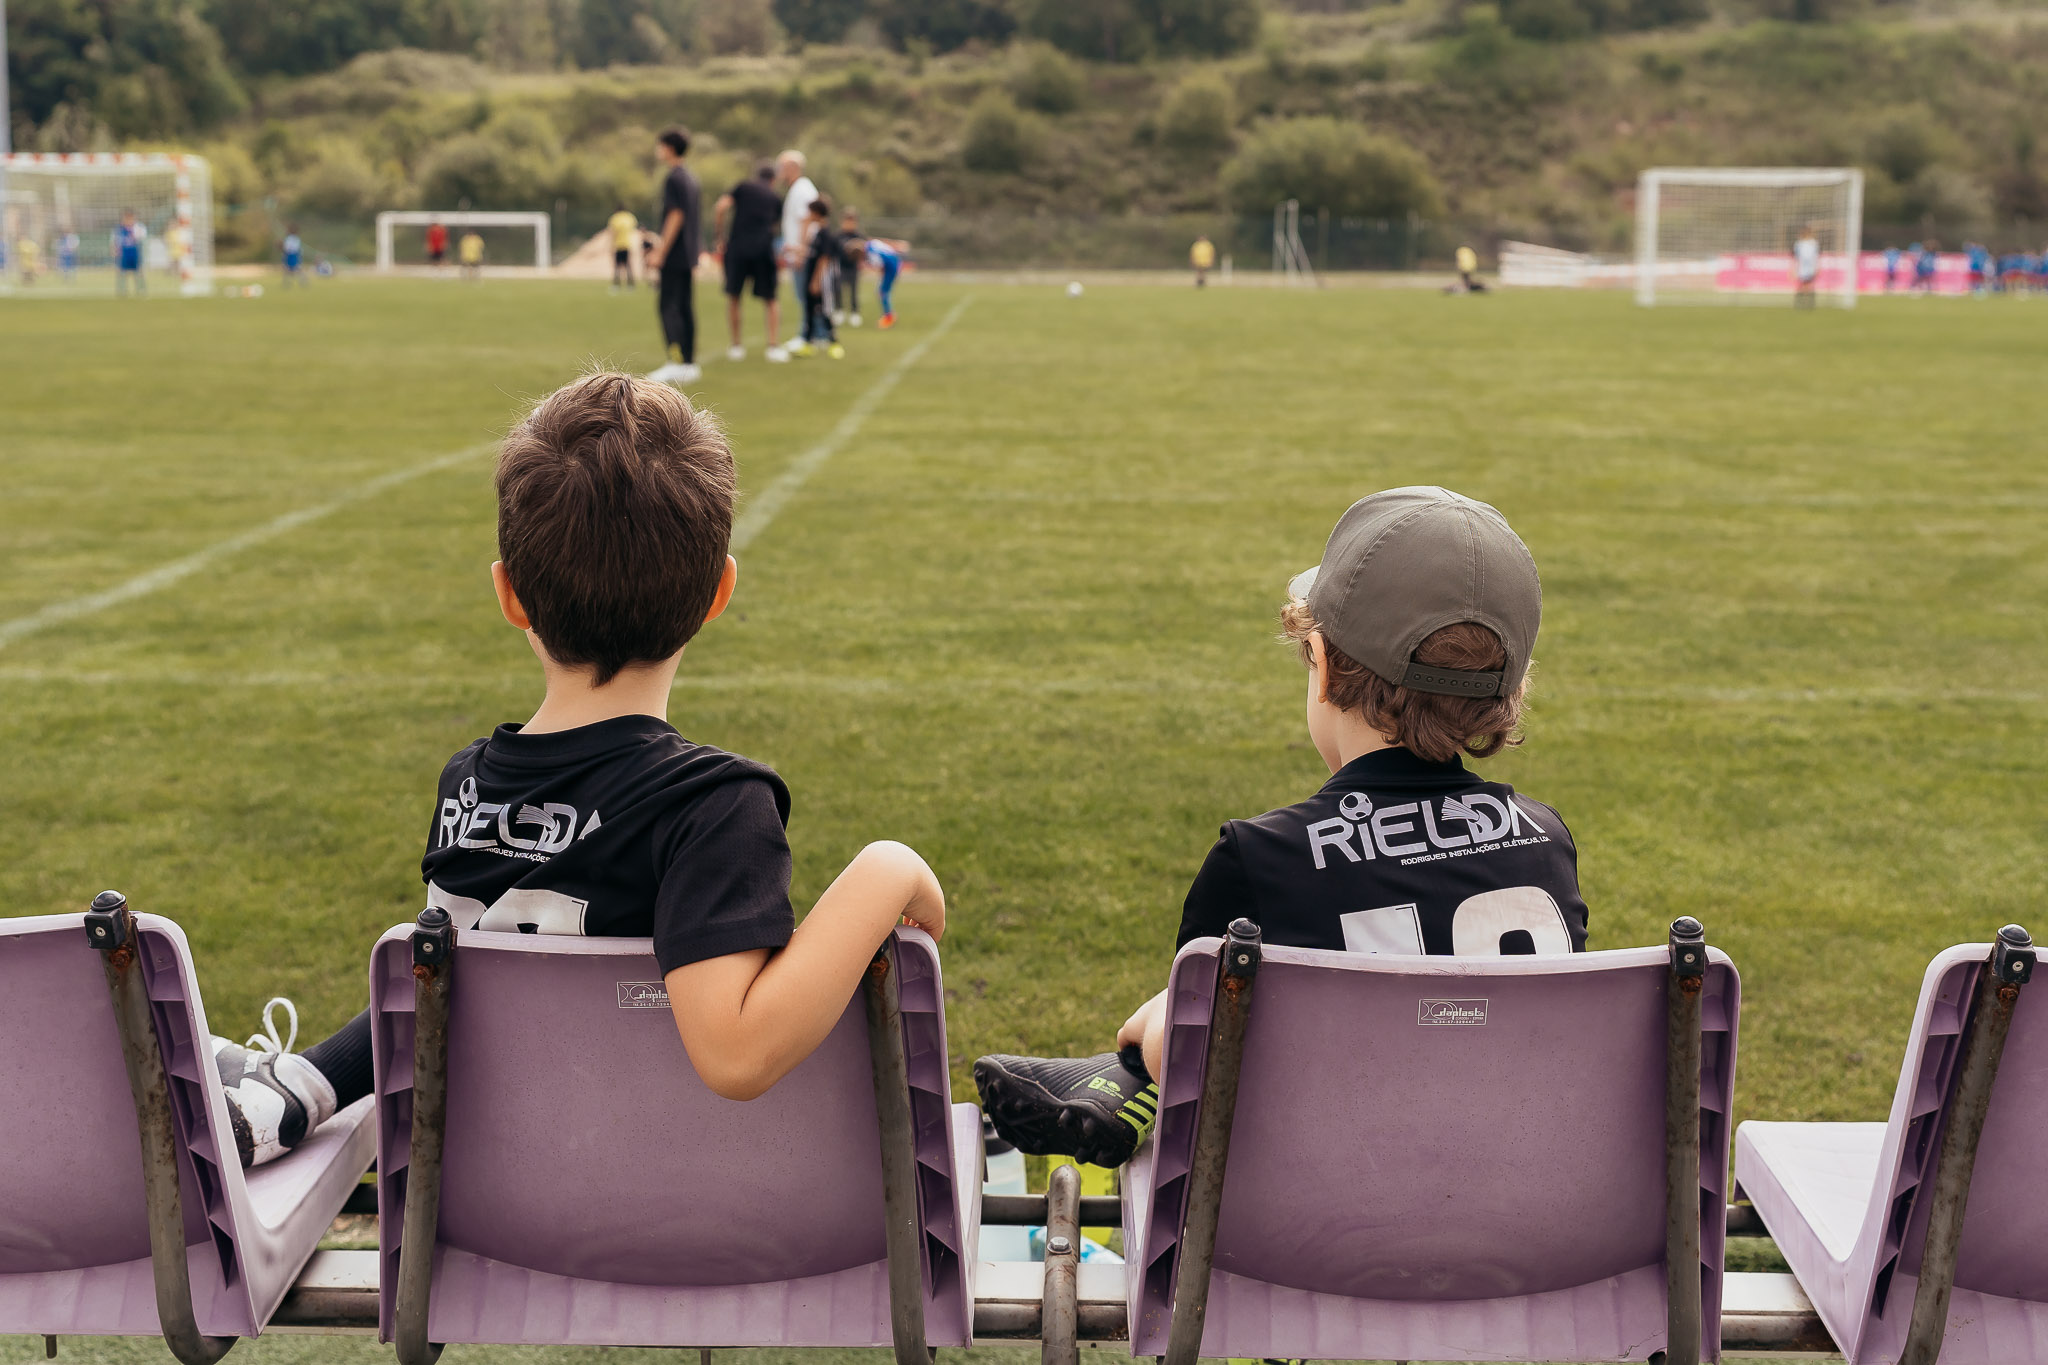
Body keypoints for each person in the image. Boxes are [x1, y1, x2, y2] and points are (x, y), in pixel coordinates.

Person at [202, 372, 950, 1168]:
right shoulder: (713, 808)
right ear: (718, 592)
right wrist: (887, 866)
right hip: (683, 1208)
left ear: (510, 596)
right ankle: (298, 1081)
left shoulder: (467, 786)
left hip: (498, 1218)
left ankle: (301, 1081)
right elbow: (736, 1053)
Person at [975, 487, 1588, 1168]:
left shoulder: (1262, 858)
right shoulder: (1545, 841)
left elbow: (1195, 1063)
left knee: (1188, 1021)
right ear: (1507, 690)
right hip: (1516, 1217)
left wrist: (1150, 1027)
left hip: (1312, 1237)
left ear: (1323, 668)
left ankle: (1113, 1075)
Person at [646, 127, 703, 386]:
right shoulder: (691, 178)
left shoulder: (673, 178)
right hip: (688, 253)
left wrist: (660, 252)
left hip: (675, 255)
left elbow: (676, 215)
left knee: (668, 306)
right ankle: (689, 362)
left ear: (668, 147)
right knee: (685, 307)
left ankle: (675, 362)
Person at [713, 161, 786, 362]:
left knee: (734, 296)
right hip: (763, 249)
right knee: (771, 299)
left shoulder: (742, 187)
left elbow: (721, 207)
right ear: (773, 179)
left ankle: (736, 346)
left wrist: (719, 237)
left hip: (738, 248)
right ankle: (773, 347)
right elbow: (775, 226)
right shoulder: (775, 197)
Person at [791, 196, 843, 359]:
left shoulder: (825, 234)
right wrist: (793, 250)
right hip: (811, 275)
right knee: (809, 310)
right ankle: (807, 343)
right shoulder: (816, 232)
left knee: (824, 310)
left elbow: (824, 259)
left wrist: (816, 281)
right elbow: (812, 254)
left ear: (816, 213)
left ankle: (834, 343)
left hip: (821, 279)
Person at [776, 149, 818, 283]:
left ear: (793, 167)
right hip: (798, 254)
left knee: (807, 300)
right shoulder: (797, 188)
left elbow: (806, 219)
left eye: (782, 166)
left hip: (802, 255)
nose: (780, 171)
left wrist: (800, 254)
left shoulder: (802, 189)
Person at [865, 233, 908, 329]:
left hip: (891, 269)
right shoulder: (871, 243)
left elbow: (881, 267)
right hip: (896, 262)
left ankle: (889, 317)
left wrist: (882, 278)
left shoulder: (871, 254)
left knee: (882, 292)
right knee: (883, 291)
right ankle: (889, 315)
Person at [835, 207, 866, 325]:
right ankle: (839, 311)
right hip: (840, 266)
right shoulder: (838, 236)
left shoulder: (859, 236)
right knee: (837, 289)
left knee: (853, 291)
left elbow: (865, 250)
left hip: (853, 267)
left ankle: (854, 313)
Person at [113, 209, 146, 297]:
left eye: (130, 218)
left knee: (138, 272)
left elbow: (142, 239)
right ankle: (122, 291)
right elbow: (115, 241)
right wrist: (115, 251)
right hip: (123, 254)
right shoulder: (119, 229)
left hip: (135, 253)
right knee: (122, 273)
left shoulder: (138, 227)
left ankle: (141, 290)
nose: (128, 220)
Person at [607, 203, 640, 292]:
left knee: (617, 267)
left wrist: (611, 245)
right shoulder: (630, 217)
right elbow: (634, 230)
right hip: (628, 244)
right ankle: (631, 285)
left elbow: (613, 232)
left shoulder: (615, 218)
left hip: (618, 245)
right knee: (629, 266)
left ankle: (616, 285)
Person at [1792, 225, 1819, 309]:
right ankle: (1799, 302)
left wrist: (1817, 267)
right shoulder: (1798, 244)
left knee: (1809, 284)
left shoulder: (1814, 243)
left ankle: (1810, 303)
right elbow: (1796, 257)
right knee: (1802, 284)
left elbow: (1816, 256)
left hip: (1810, 267)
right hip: (1802, 267)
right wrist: (1794, 269)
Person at [281, 224, 307, 288]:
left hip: (291, 254)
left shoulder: (290, 239)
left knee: (293, 269)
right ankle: (287, 283)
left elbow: (287, 248)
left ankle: (302, 281)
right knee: (290, 269)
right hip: (294, 254)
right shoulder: (295, 238)